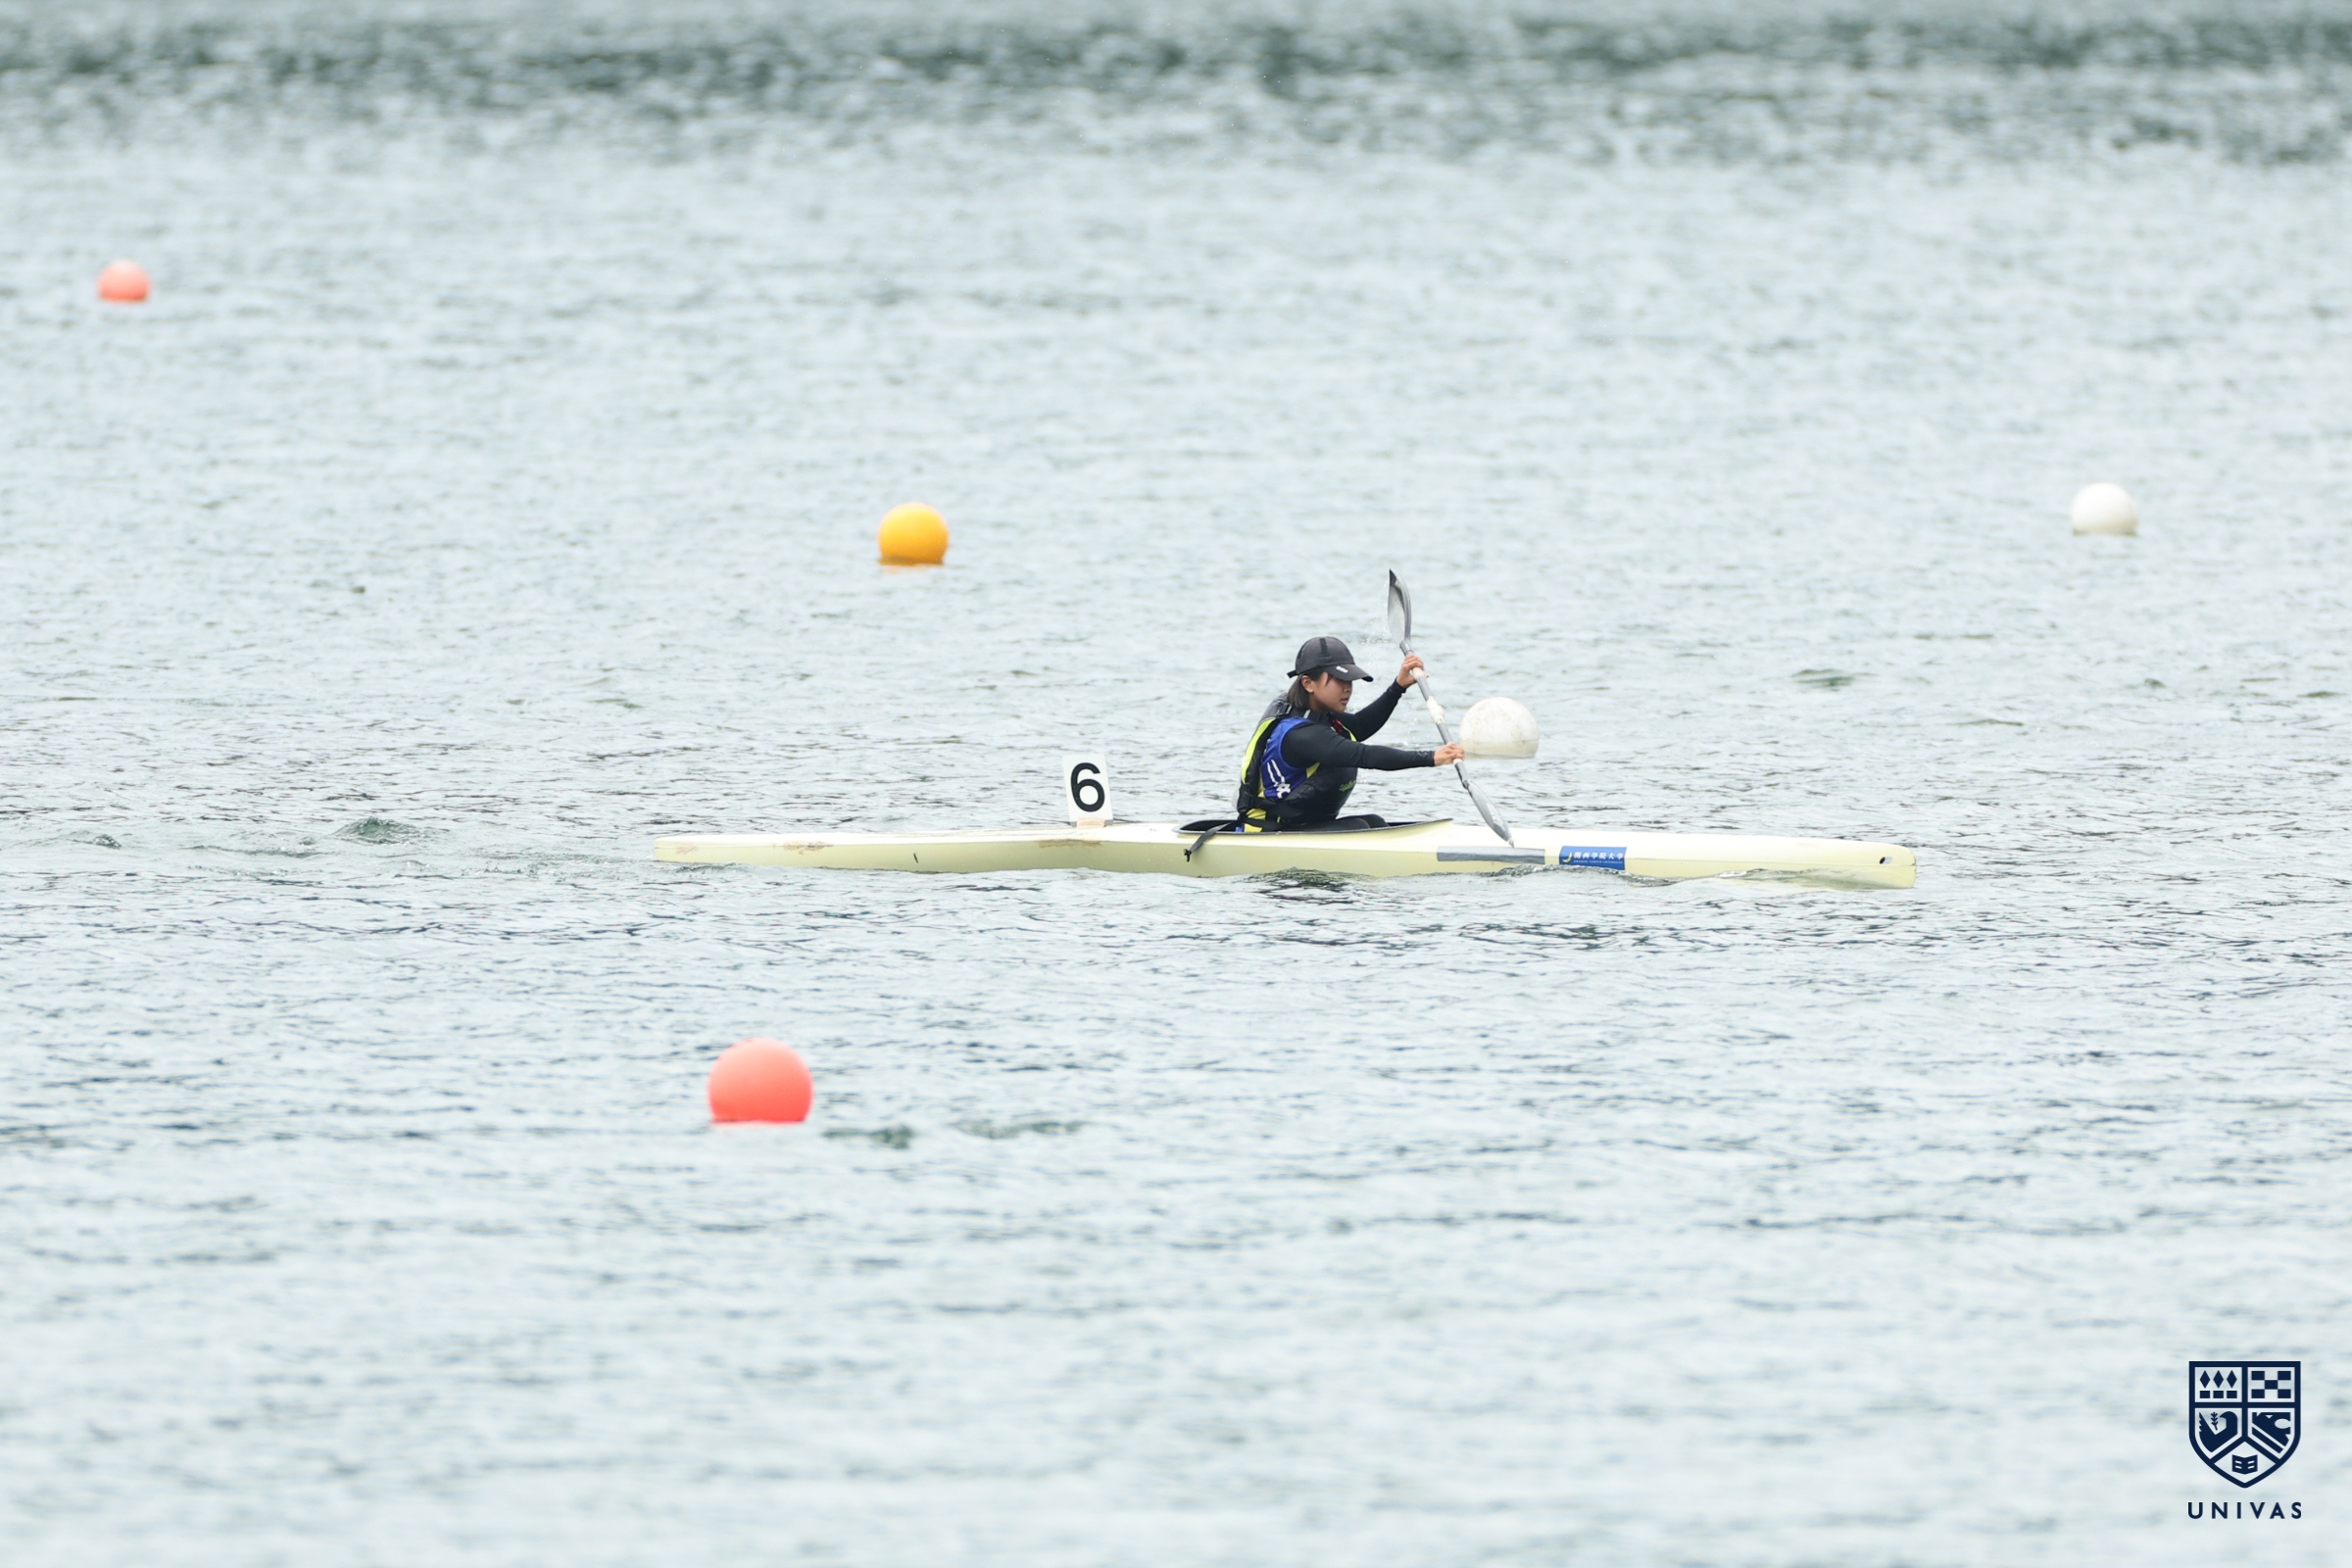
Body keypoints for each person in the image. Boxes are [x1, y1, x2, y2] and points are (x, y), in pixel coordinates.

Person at [1232, 634, 1465, 830]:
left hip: (1299, 826)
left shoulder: (1317, 714)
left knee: (1373, 822)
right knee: (1361, 827)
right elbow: (1364, 755)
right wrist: (1431, 757)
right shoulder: (1301, 734)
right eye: (1339, 680)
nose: (1347, 689)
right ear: (1308, 683)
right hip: (1268, 831)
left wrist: (1398, 686)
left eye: (1350, 681)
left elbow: (1359, 726)